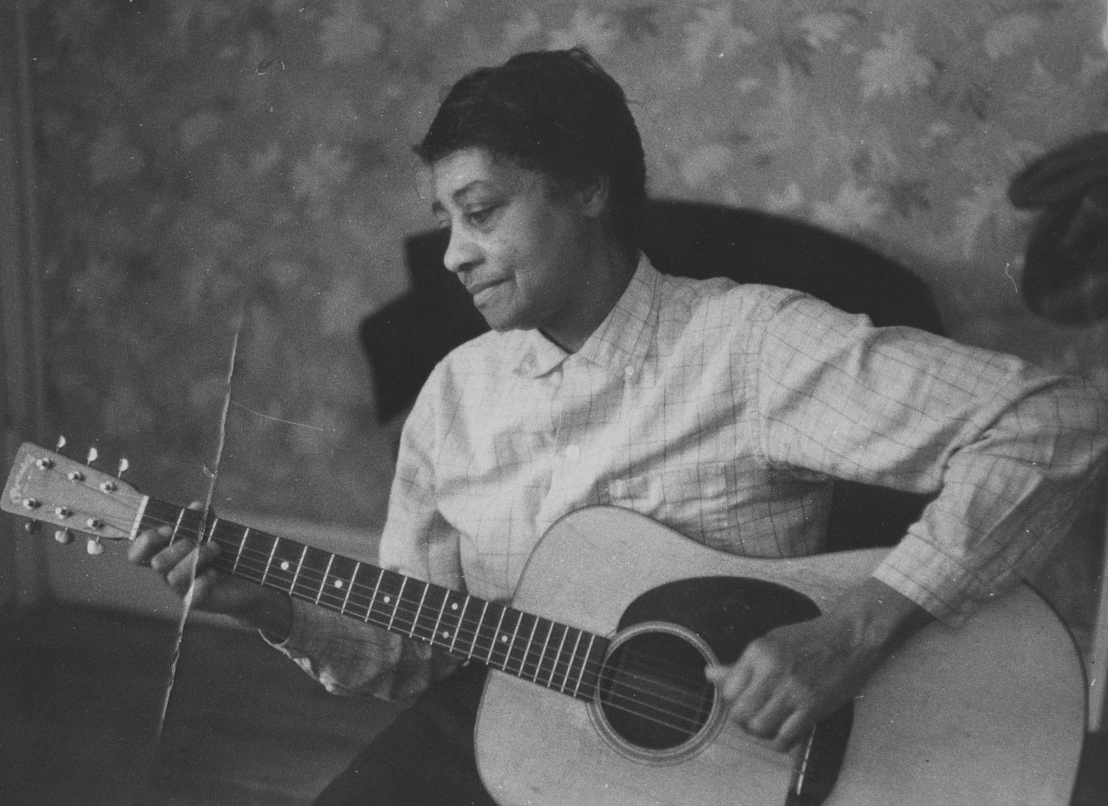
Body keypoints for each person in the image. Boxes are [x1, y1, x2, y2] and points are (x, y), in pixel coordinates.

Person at [128, 48, 1108, 804]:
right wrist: (279, 608)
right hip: (511, 714)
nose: (453, 256)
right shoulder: (455, 394)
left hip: (738, 759)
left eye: (482, 211)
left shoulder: (748, 345)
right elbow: (415, 648)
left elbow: (1056, 420)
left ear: (590, 188)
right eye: (446, 219)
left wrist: (853, 628)